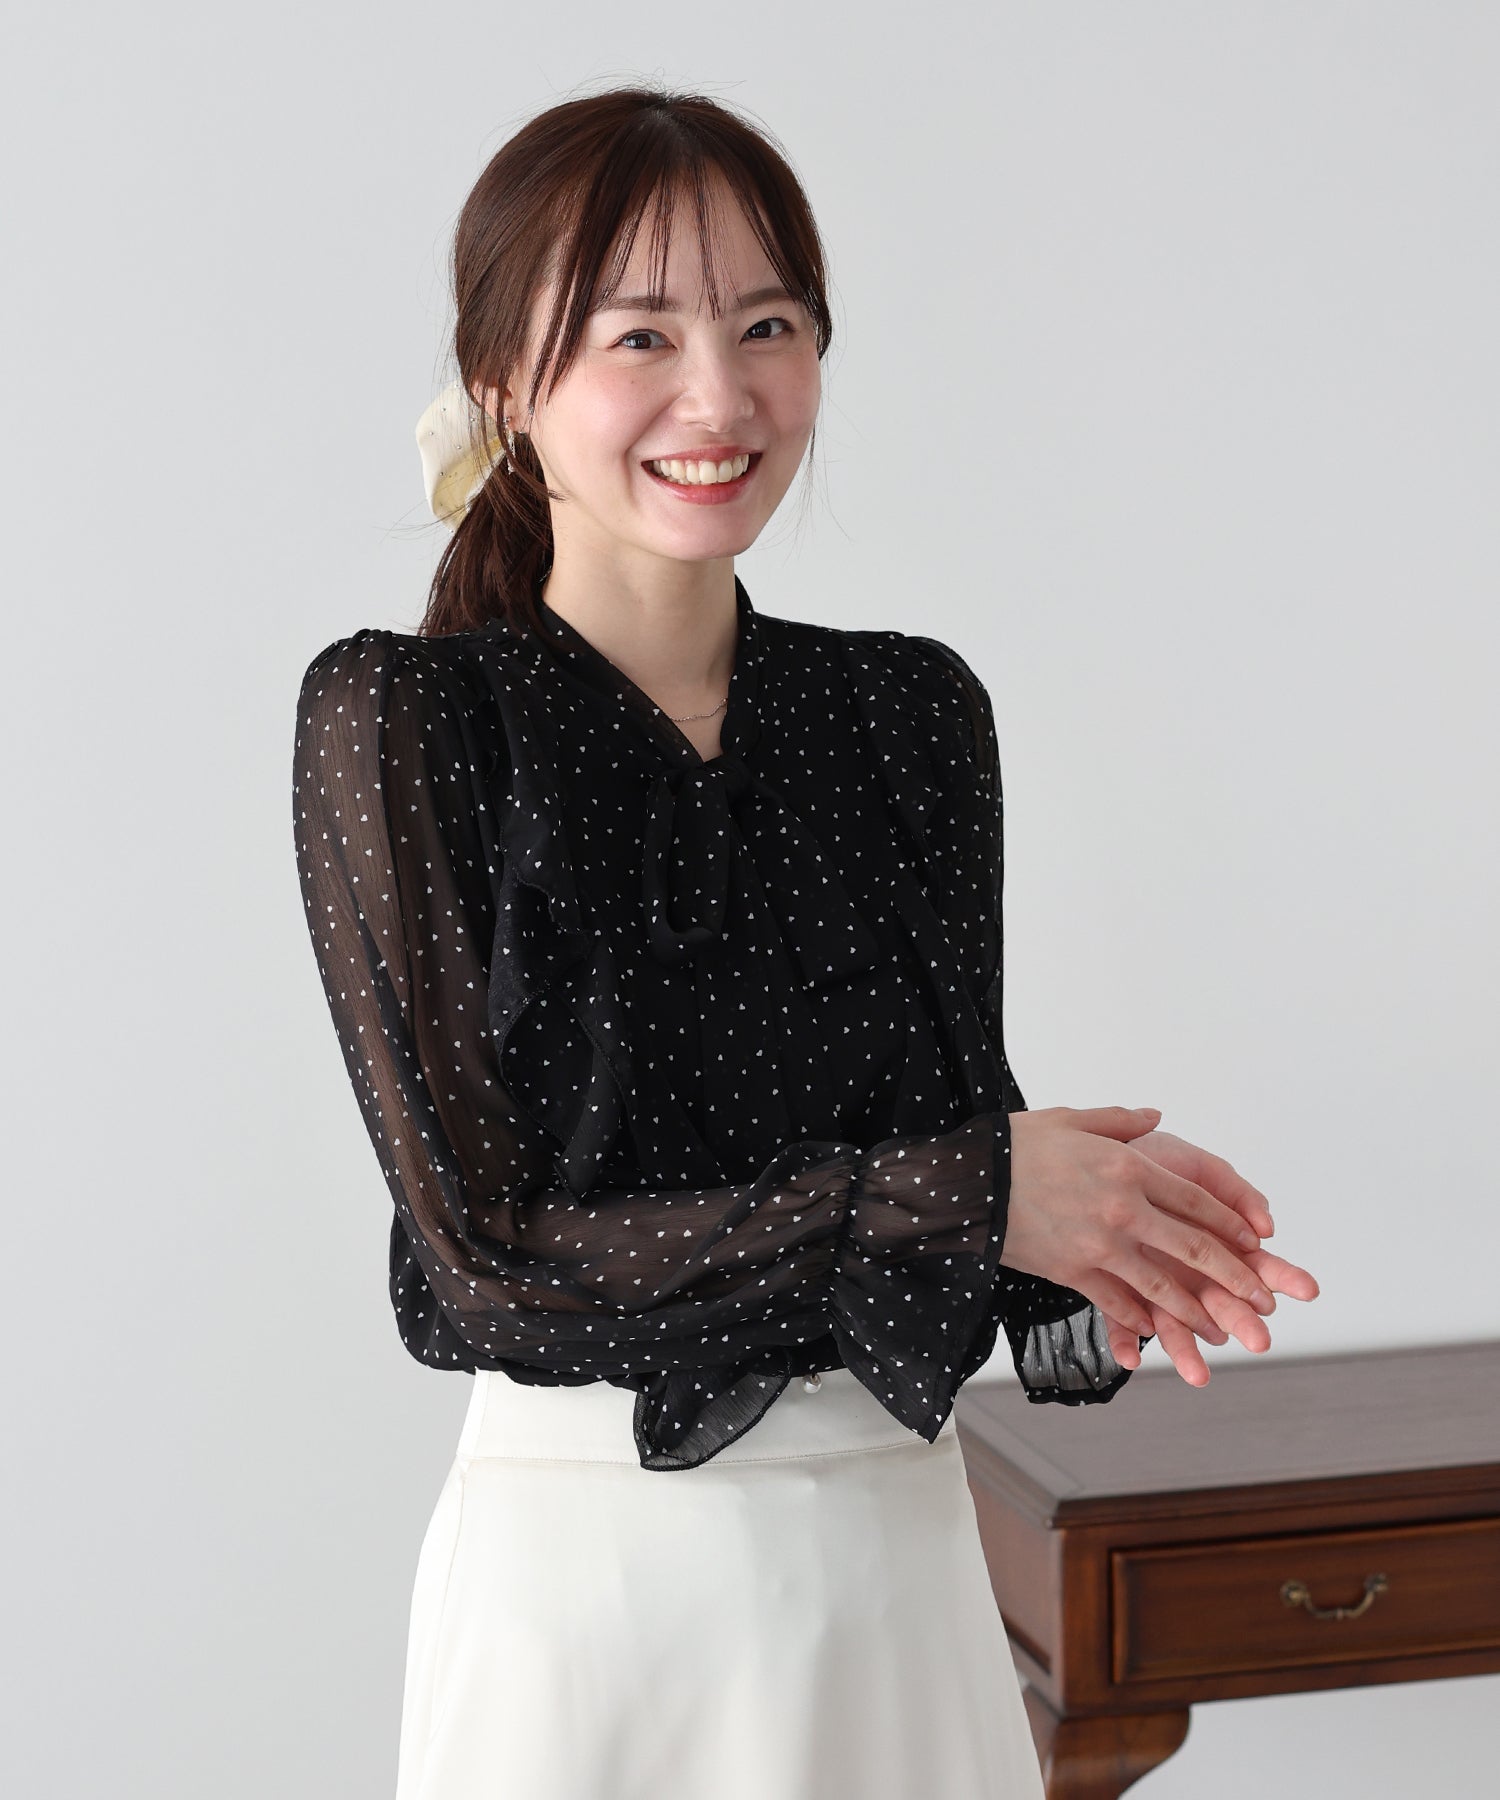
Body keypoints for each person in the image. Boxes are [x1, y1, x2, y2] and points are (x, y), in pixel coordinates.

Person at [291, 84, 1319, 1800]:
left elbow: (936, 1178)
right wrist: (980, 1192)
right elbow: (488, 1261)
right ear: (505, 384)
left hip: (894, 1573)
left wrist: (1100, 1246)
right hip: (595, 1591)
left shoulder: (910, 713)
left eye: (768, 327)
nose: (721, 396)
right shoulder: (405, 719)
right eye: (642, 335)